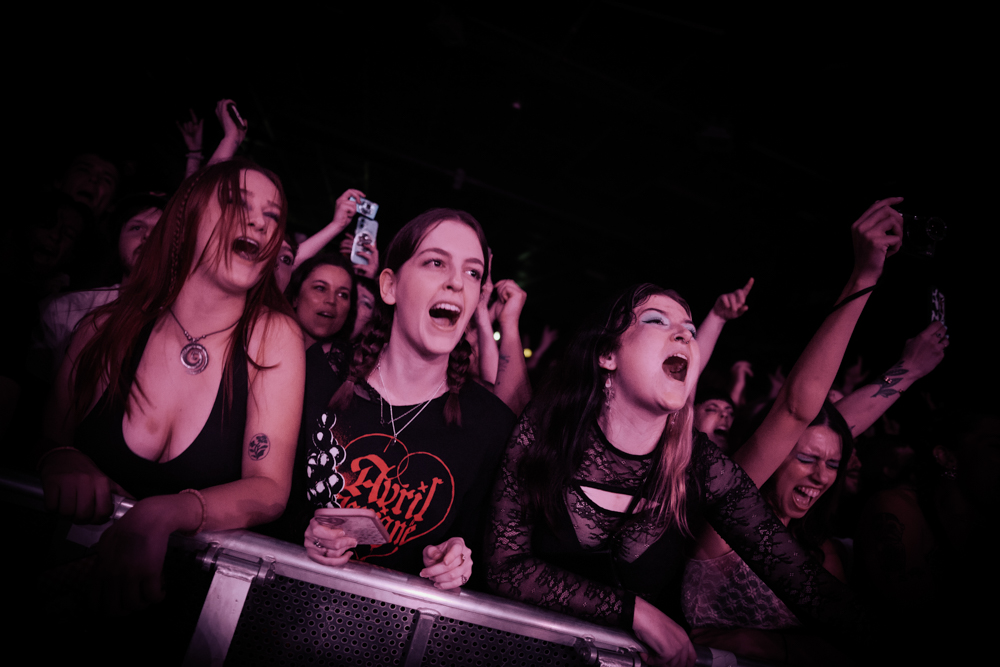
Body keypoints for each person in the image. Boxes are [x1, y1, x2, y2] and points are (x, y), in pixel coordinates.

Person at [484, 199, 904, 665]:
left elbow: (805, 584)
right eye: (657, 321)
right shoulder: (547, 432)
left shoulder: (701, 466)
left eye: (688, 328)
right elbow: (506, 568)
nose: (684, 334)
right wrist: (633, 612)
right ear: (607, 354)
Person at [37, 157, 305, 613]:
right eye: (237, 203)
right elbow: (43, 438)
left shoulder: (273, 336)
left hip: (176, 614)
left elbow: (268, 488)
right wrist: (60, 458)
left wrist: (163, 513)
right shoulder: (105, 329)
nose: (260, 222)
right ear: (190, 215)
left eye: (272, 216)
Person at [301, 209, 516, 590]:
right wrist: (303, 533)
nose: (456, 282)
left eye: (472, 272)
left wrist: (455, 561)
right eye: (436, 262)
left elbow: (483, 553)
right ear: (389, 287)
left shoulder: (490, 425)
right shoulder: (319, 375)